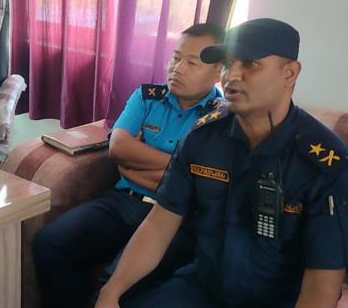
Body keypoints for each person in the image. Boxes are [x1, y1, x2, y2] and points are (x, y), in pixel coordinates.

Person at [95, 18, 348, 308]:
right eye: (228, 64)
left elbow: (322, 283)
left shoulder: (323, 163)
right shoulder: (203, 137)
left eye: (251, 64)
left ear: (290, 73)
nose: (232, 75)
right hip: (203, 288)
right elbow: (159, 225)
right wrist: (112, 290)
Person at [32, 23, 225, 308]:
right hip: (122, 202)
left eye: (192, 63)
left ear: (218, 72)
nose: (178, 68)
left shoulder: (221, 118)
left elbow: (199, 182)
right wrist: (181, 169)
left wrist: (134, 166)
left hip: (174, 218)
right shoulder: (147, 97)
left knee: (113, 285)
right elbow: (119, 147)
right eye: (176, 57)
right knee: (49, 243)